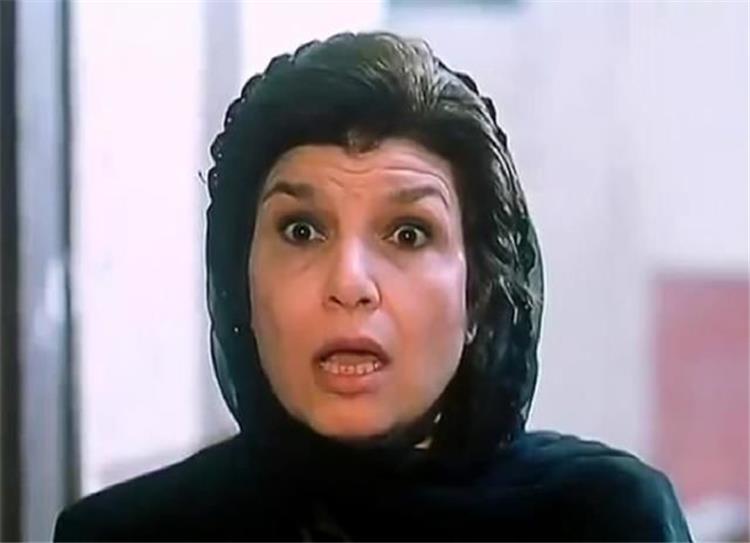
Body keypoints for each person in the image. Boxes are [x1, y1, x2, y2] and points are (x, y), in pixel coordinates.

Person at [54, 31, 692, 541]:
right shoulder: (128, 534)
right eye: (302, 231)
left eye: (408, 234)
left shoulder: (601, 521)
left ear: (478, 293)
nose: (350, 284)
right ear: (239, 282)